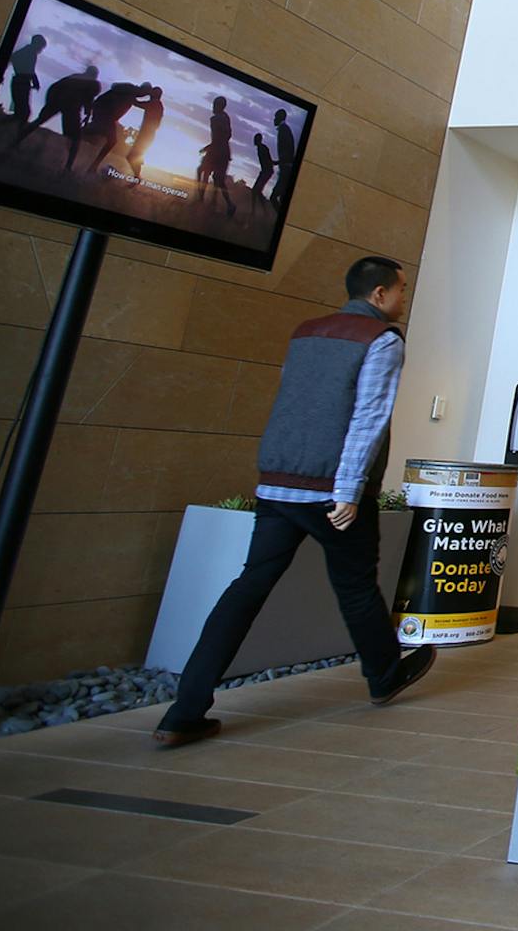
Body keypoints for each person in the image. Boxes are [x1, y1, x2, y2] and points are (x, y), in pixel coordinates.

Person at [152, 256, 433, 748]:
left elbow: (295, 402)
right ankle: (384, 676)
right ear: (379, 295)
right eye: (401, 290)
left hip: (277, 486)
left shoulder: (306, 332)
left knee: (247, 588)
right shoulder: (381, 341)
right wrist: (347, 491)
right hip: (331, 492)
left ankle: (183, 710)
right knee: (357, 587)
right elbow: (368, 419)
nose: (404, 299)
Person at [12, 64, 100, 168]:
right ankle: (68, 167)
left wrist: (49, 104)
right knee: (76, 138)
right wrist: (87, 113)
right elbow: (88, 100)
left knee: (38, 121)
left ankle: (15, 142)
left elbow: (53, 88)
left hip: (57, 101)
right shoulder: (93, 84)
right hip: (70, 105)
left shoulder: (73, 77)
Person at [79, 82, 149, 173]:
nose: (143, 96)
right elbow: (139, 104)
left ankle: (93, 165)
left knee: (102, 135)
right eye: (145, 93)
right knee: (111, 140)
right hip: (106, 115)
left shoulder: (130, 91)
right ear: (143, 90)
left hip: (104, 113)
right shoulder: (131, 92)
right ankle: (93, 166)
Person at [196, 95, 236, 216]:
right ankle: (229, 204)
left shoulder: (215, 119)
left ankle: (201, 198)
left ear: (219, 106)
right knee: (219, 180)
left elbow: (217, 139)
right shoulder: (226, 117)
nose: (212, 107)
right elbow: (228, 135)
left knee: (202, 171)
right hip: (224, 151)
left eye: (214, 104)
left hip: (216, 151)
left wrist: (207, 148)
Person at [5, 34, 45, 124]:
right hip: (22, 82)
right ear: (37, 44)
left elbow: (13, 59)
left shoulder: (25, 51)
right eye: (41, 47)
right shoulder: (30, 53)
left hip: (19, 81)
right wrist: (35, 82)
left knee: (21, 111)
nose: (41, 50)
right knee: (24, 112)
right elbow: (30, 70)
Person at [127, 86, 164, 179]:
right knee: (134, 156)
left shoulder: (154, 103)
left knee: (131, 156)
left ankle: (137, 177)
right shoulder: (158, 104)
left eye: (152, 93)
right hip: (148, 135)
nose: (150, 95)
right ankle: (137, 177)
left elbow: (137, 103)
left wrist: (131, 94)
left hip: (146, 135)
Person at [272, 107, 298, 210]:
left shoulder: (283, 129)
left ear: (279, 117)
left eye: (275, 117)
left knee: (274, 197)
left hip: (286, 169)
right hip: (286, 168)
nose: (274, 119)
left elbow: (288, 149)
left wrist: (282, 162)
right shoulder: (284, 129)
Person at [250, 132, 276, 205]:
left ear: (259, 140)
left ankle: (258, 211)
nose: (254, 141)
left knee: (256, 190)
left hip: (267, 171)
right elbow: (269, 160)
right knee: (256, 191)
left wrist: (274, 163)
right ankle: (259, 211)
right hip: (265, 171)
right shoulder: (260, 148)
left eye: (255, 139)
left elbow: (268, 160)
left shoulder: (262, 148)